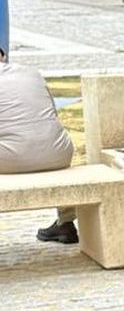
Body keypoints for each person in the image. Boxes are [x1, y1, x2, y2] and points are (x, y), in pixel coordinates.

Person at [0, 47, 78, 244]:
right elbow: (51, 113)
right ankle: (66, 222)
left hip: (10, 160)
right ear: (3, 56)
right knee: (46, 135)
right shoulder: (32, 73)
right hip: (59, 153)